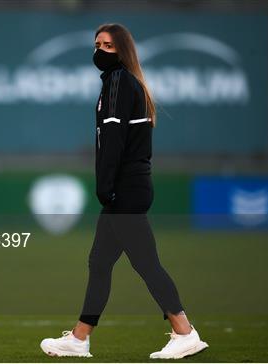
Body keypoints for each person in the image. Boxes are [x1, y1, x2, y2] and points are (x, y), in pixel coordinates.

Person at [40, 23, 209, 360]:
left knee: (146, 263)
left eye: (108, 46)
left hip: (126, 188)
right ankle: (79, 338)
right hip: (130, 186)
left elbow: (114, 139)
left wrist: (105, 185)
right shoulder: (121, 83)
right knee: (100, 261)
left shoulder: (118, 81)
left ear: (122, 51)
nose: (100, 51)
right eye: (97, 44)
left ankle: (184, 331)